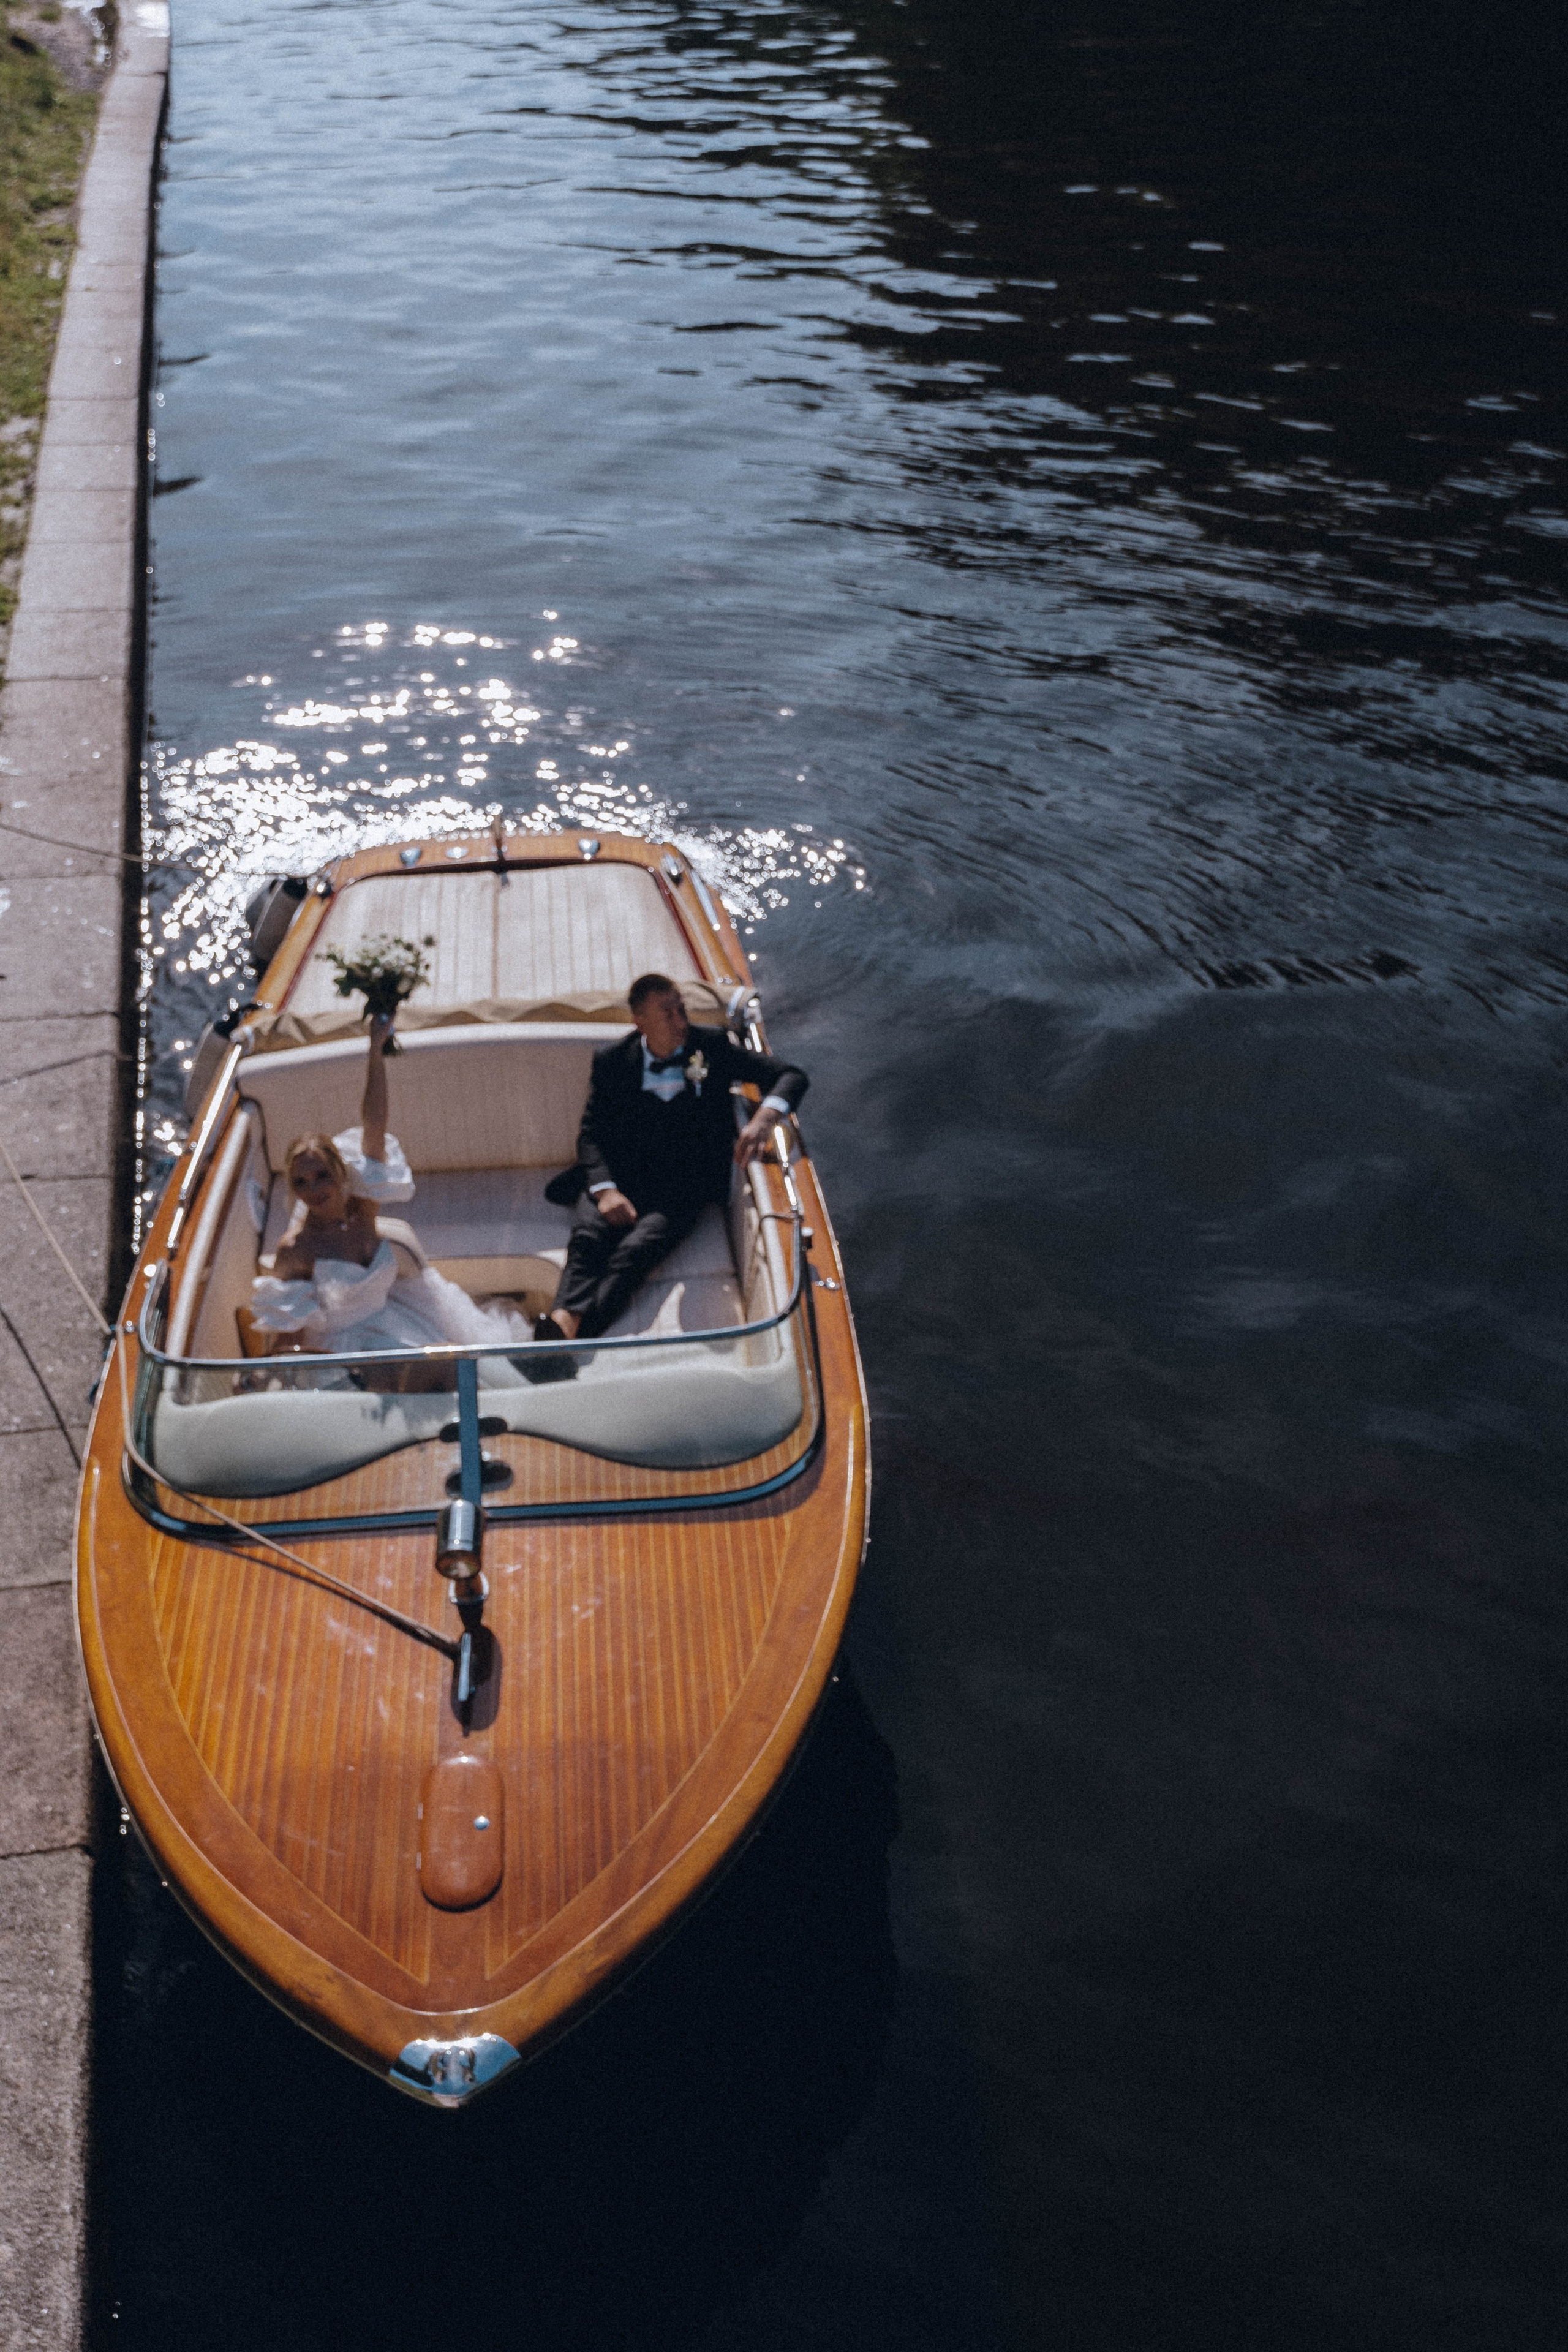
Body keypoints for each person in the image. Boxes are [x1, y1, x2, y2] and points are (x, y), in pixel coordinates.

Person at [524, 971, 809, 1382]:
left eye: (681, 1010)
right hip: (620, 1177)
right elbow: (592, 1135)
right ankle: (561, 1335)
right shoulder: (612, 1061)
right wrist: (606, 1191)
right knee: (588, 1241)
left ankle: (561, 1337)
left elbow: (792, 1075)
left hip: (681, 1187)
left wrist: (764, 1118)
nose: (681, 1021)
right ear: (640, 1022)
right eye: (668, 1014)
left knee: (634, 1254)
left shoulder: (711, 1047)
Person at [239, 1011, 529, 1390]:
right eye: (301, 1182)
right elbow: (288, 1337)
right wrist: (263, 1377)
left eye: (322, 1175)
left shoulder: (363, 1210)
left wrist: (375, 1050)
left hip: (394, 1324)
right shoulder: (296, 1248)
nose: (314, 1190)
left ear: (341, 1174)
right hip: (348, 1355)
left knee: (466, 1361)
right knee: (447, 1364)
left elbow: (375, 1125)